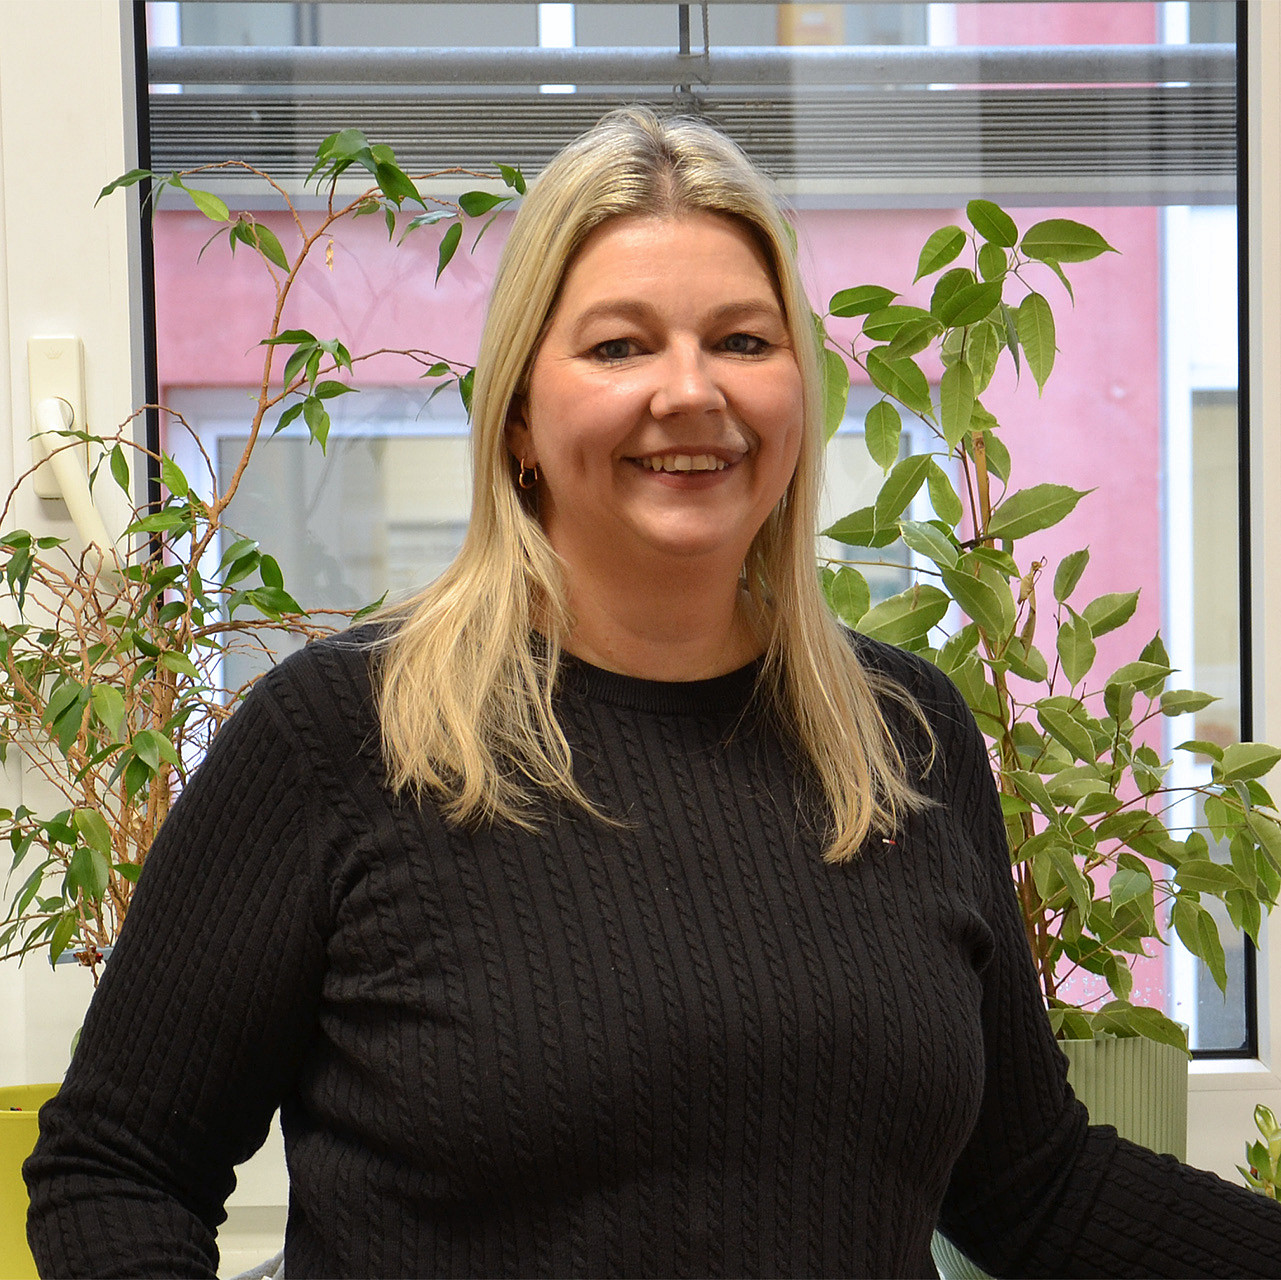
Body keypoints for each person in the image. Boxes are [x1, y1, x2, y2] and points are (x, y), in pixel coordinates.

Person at [23, 107, 1281, 1279]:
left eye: (743, 338)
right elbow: (117, 1166)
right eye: (621, 345)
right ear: (518, 412)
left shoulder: (904, 735)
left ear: (798, 391)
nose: (694, 391)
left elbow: (1033, 1183)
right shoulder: (342, 737)